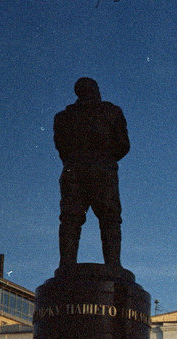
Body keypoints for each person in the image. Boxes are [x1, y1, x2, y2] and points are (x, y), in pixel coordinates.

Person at [54, 77, 130, 270]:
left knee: (70, 219)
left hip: (73, 169)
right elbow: (123, 145)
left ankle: (66, 264)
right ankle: (113, 265)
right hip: (103, 169)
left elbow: (61, 147)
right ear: (96, 90)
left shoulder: (63, 117)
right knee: (110, 218)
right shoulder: (112, 112)